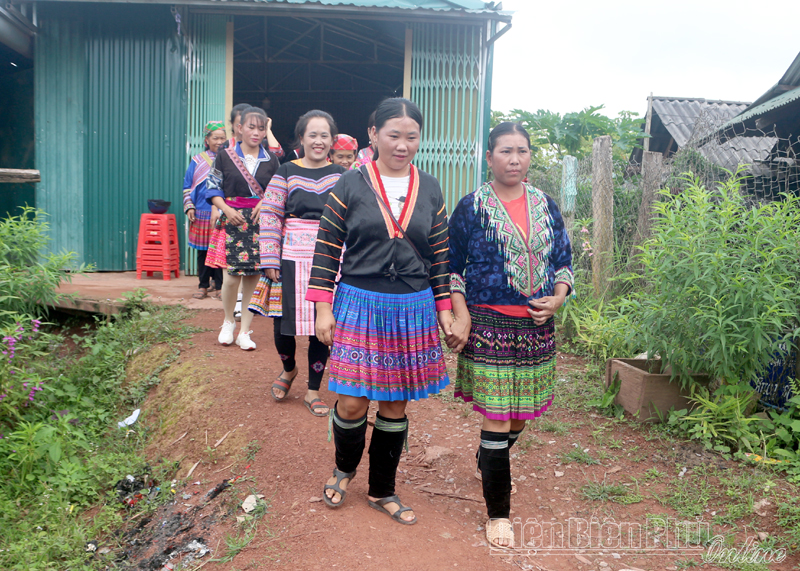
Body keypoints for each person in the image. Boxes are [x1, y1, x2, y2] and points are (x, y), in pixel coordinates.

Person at [306, 98, 453, 525]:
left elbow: (440, 255)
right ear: (373, 135)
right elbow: (327, 249)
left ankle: (382, 489)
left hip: (412, 306)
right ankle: (344, 469)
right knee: (352, 403)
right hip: (359, 302)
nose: (403, 145)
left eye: (412, 137)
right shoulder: (350, 184)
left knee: (394, 406)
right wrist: (322, 308)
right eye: (394, 135)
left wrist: (444, 308)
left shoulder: (430, 187)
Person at [447, 122, 574, 548]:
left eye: (522, 150)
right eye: (505, 151)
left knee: (519, 416)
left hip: (536, 328)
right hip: (489, 326)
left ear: (530, 156)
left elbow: (563, 261)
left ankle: (488, 456)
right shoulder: (471, 207)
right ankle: (498, 513)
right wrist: (460, 315)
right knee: (498, 416)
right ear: (489, 157)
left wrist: (557, 299)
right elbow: (452, 268)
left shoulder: (546, 205)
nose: (514, 159)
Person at [260, 110, 346, 417]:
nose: (319, 141)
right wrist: (270, 257)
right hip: (288, 259)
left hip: (329, 259)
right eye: (313, 135)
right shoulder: (285, 171)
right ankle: (289, 369)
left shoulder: (343, 176)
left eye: (325, 135)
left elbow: (352, 219)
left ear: (332, 141)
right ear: (302, 138)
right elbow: (270, 214)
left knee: (321, 329)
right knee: (282, 324)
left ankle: (312, 390)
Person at [206, 106, 280, 350]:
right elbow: (213, 188)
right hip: (232, 221)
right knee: (230, 279)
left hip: (261, 224)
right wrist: (226, 209)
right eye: (251, 127)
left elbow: (278, 191)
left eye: (261, 128)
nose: (256, 132)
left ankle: (245, 331)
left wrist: (265, 202)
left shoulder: (272, 160)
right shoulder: (224, 156)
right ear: (239, 128)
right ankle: (228, 321)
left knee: (253, 280)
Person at [183, 120, 227, 299]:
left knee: (219, 251)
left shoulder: (229, 159)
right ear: (207, 139)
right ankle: (202, 285)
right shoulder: (198, 160)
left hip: (223, 212)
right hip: (201, 212)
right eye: (215, 138)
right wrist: (189, 207)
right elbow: (187, 186)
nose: (219, 141)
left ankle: (219, 285)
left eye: (222, 138)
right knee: (203, 252)